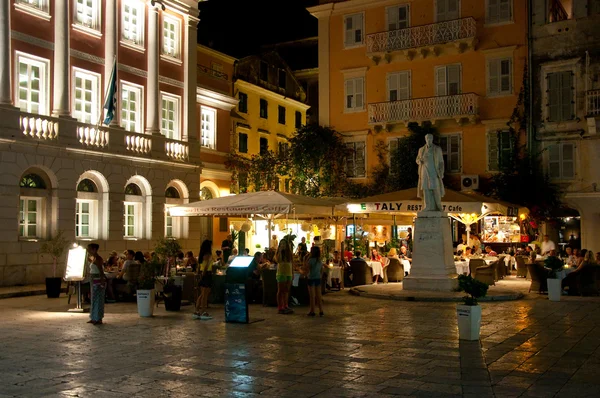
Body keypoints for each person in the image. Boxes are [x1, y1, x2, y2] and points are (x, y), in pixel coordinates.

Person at [416, 133, 445, 212]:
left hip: (434, 172)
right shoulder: (421, 150)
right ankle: (427, 206)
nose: (429, 140)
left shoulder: (437, 149)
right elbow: (417, 160)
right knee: (426, 189)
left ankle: (438, 206)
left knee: (436, 189)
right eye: (427, 139)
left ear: (432, 139)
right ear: (425, 140)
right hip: (424, 172)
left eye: (430, 139)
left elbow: (441, 162)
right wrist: (420, 161)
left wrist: (441, 172)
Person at [87, 243, 107, 325]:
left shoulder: (98, 259)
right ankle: (93, 317)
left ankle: (98, 318)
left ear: (94, 249)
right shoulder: (94, 258)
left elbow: (101, 271)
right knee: (93, 298)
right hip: (93, 279)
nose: (88, 251)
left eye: (89, 249)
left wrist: (102, 280)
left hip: (97, 280)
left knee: (98, 299)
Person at [194, 240, 213, 320]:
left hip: (203, 274)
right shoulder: (208, 255)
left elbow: (200, 267)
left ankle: (197, 311)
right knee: (205, 295)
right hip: (207, 274)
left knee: (202, 294)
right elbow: (206, 266)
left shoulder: (201, 254)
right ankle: (203, 312)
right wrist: (204, 274)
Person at [275, 239, 294, 314]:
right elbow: (278, 260)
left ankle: (285, 305)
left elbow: (292, 263)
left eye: (284, 244)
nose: (283, 245)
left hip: (288, 273)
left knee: (286, 290)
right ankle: (280, 306)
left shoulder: (289, 254)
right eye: (281, 244)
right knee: (280, 290)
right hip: (281, 273)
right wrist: (280, 251)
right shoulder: (278, 253)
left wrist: (292, 273)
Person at [305, 246, 324, 317]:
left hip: (311, 278)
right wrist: (320, 276)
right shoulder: (319, 260)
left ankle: (312, 310)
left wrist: (302, 272)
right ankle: (321, 310)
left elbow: (307, 270)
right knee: (319, 295)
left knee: (312, 296)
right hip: (318, 278)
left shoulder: (310, 260)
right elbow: (322, 270)